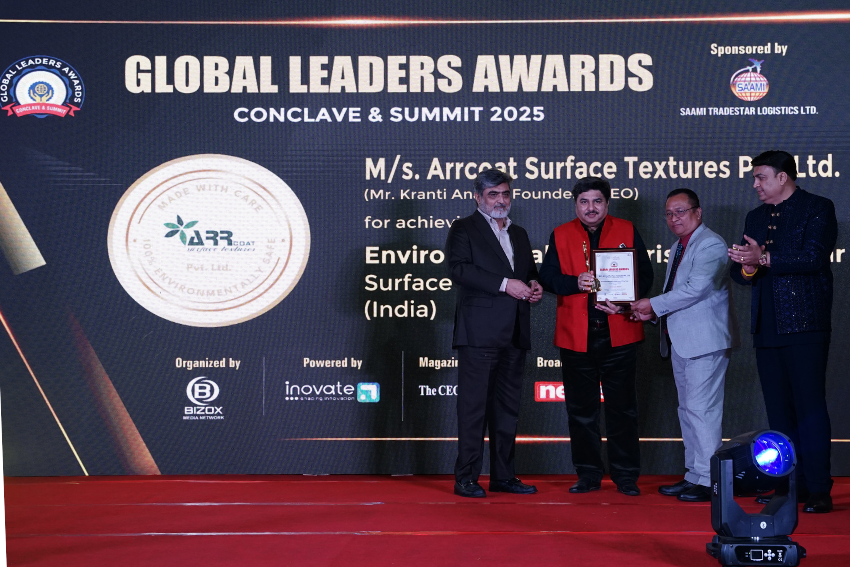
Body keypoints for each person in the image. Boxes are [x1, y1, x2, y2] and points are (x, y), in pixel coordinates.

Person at [727, 150, 837, 513]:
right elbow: (741, 272)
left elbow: (814, 257)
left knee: (809, 407)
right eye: (754, 178)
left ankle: (818, 488)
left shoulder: (817, 207)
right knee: (778, 412)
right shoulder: (755, 216)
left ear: (782, 177)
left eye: (760, 177)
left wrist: (763, 259)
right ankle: (790, 485)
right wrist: (748, 266)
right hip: (767, 325)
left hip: (805, 323)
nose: (755, 185)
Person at [539, 177, 653, 496]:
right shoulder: (560, 233)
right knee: (580, 411)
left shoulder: (627, 229)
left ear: (607, 203)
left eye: (597, 201)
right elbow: (547, 277)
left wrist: (626, 301)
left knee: (623, 409)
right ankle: (588, 473)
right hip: (576, 336)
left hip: (620, 332)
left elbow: (645, 275)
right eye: (584, 202)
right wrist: (574, 282)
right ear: (576, 204)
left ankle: (626, 475)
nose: (591, 208)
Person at [630, 189, 739, 502]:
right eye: (669, 213)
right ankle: (694, 474)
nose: (674, 218)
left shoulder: (711, 244)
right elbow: (677, 295)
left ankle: (709, 481)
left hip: (705, 342)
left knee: (702, 410)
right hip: (682, 341)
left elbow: (697, 289)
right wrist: (652, 312)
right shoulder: (679, 246)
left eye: (681, 211)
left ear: (698, 212)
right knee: (689, 410)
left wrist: (652, 304)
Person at [445, 168, 542, 498]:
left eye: (505, 194)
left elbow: (528, 272)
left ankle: (504, 476)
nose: (501, 200)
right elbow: (458, 269)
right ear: (478, 197)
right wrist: (505, 284)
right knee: (473, 410)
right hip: (479, 333)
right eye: (493, 194)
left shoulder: (520, 233)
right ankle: (466, 478)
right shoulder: (463, 228)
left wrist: (533, 285)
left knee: (507, 410)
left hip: (515, 331)